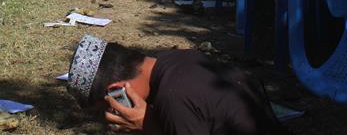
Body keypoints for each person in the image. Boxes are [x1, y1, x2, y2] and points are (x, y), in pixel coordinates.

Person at [67, 35, 286, 135]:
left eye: (105, 110)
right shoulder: (176, 60)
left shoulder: (174, 100)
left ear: (117, 91)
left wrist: (149, 128)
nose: (110, 117)